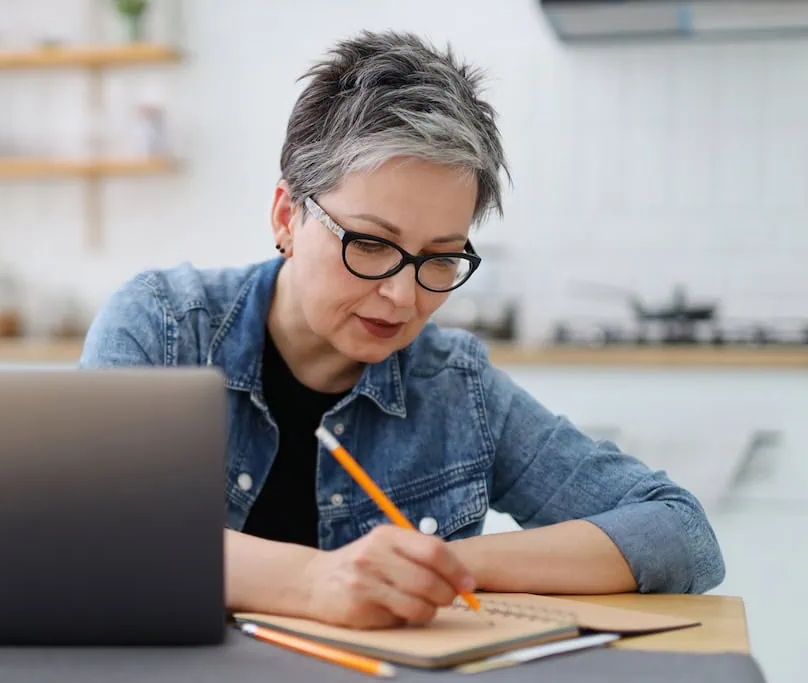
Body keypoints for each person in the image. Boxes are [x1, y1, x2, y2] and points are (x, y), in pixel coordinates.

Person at [79, 30, 724, 629]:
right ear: (286, 216)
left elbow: (677, 532)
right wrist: (313, 581)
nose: (402, 294)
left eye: (440, 257)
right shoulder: (162, 330)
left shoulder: (455, 386)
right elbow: (93, 532)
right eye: (369, 242)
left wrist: (439, 566)